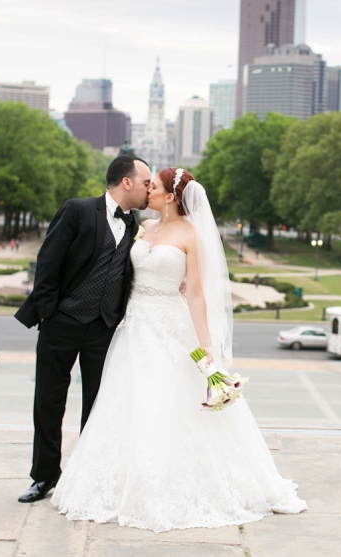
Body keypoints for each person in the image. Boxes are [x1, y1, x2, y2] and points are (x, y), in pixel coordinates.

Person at [51, 167, 306, 531]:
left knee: (167, 402)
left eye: (152, 186)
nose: (146, 190)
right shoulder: (143, 228)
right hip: (136, 326)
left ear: (170, 197)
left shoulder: (191, 234)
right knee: (129, 402)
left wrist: (206, 345)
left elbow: (198, 293)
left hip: (171, 326)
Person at [14, 156, 153, 504]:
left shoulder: (134, 224)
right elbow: (48, 263)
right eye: (146, 182)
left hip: (103, 329)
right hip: (61, 323)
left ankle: (87, 477)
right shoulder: (77, 211)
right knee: (48, 402)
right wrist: (49, 314)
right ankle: (44, 476)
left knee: (97, 407)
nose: (149, 189)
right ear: (126, 182)